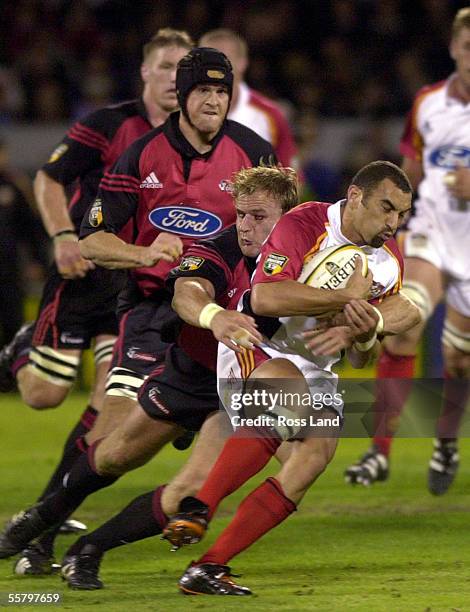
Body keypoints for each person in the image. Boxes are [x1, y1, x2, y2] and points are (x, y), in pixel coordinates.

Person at [0, 48, 276, 574]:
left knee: (296, 441)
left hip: (229, 323)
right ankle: (42, 526)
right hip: (153, 314)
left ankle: (98, 548)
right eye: (204, 92)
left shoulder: (253, 152)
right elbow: (94, 239)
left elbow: (287, 226)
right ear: (183, 96)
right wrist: (143, 253)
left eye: (222, 92)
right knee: (117, 442)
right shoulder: (143, 154)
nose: (214, 101)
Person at [162, 161, 419, 596]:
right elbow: (265, 296)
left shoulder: (387, 261)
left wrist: (364, 325)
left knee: (313, 458)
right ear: (355, 196)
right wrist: (342, 299)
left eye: (401, 214)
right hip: (258, 346)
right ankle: (199, 507)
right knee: (290, 396)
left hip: (316, 367)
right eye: (386, 208)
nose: (392, 223)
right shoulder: (307, 220)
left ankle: (207, 567)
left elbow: (392, 326)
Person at [0, 28, 194, 573]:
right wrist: (63, 237)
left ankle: (45, 517)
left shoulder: (198, 143)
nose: (175, 78)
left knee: (110, 419)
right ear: (146, 73)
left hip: (133, 297)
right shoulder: (109, 124)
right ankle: (22, 348)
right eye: (165, 66)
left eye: (184, 67)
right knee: (41, 396)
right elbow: (49, 177)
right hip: (83, 278)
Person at [345, 7, 470, 495]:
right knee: (405, 323)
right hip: (431, 234)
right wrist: (388, 220)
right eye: (466, 47)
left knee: (458, 362)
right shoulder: (428, 102)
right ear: (454, 49)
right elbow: (411, 167)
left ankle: (445, 442)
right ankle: (379, 451)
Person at [198, 29, 298, 169]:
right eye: (207, 60)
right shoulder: (182, 113)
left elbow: (290, 175)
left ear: (242, 63)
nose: (215, 67)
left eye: (224, 59)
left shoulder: (270, 115)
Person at [0, 137, 48, 346]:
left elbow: (31, 228)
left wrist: (38, 261)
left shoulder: (14, 184)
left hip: (8, 271)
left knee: (13, 325)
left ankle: (9, 376)